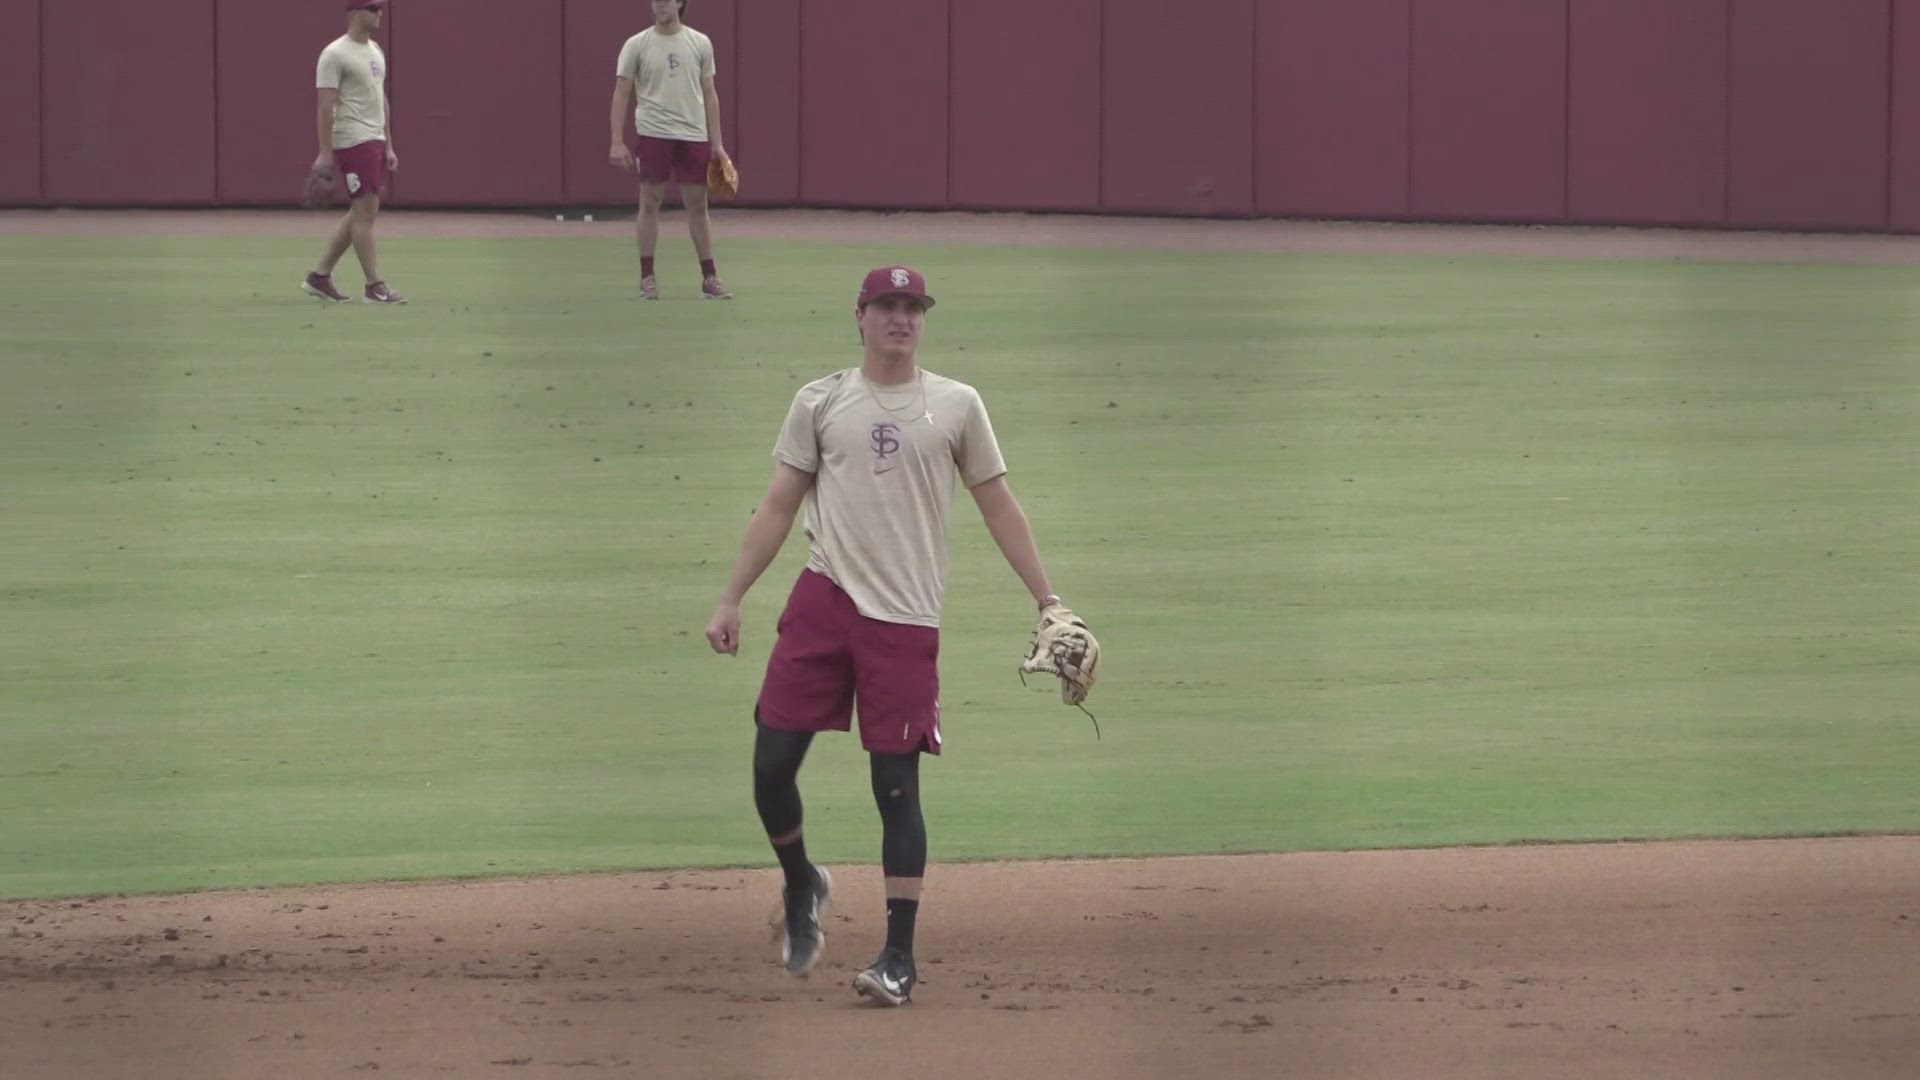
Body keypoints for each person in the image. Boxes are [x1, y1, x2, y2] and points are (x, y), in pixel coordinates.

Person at [705, 266, 1070, 1007]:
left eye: (913, 307)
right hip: (823, 600)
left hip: (905, 617)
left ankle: (898, 957)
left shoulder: (957, 405)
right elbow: (778, 505)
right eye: (887, 306)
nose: (901, 318)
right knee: (771, 763)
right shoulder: (820, 400)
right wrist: (732, 597)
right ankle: (803, 882)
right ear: (860, 316)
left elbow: (999, 504)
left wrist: (1048, 599)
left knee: (895, 785)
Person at [608, 0, 732, 301]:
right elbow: (622, 92)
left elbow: (710, 92)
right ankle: (647, 277)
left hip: (692, 133)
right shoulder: (636, 44)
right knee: (650, 202)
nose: (660, 4)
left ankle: (709, 278)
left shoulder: (700, 42)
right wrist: (616, 140)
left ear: (679, 3)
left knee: (698, 206)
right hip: (654, 133)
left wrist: (717, 144)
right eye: (656, 0)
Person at [303, 0, 406, 305]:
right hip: (351, 139)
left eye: (381, 8)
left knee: (362, 212)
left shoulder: (375, 52)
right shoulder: (335, 54)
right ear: (355, 11)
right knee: (365, 211)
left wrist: (388, 143)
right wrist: (324, 152)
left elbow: (380, 97)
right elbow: (325, 105)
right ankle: (374, 285)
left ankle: (319, 277)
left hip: (373, 139)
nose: (379, 13)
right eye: (373, 7)